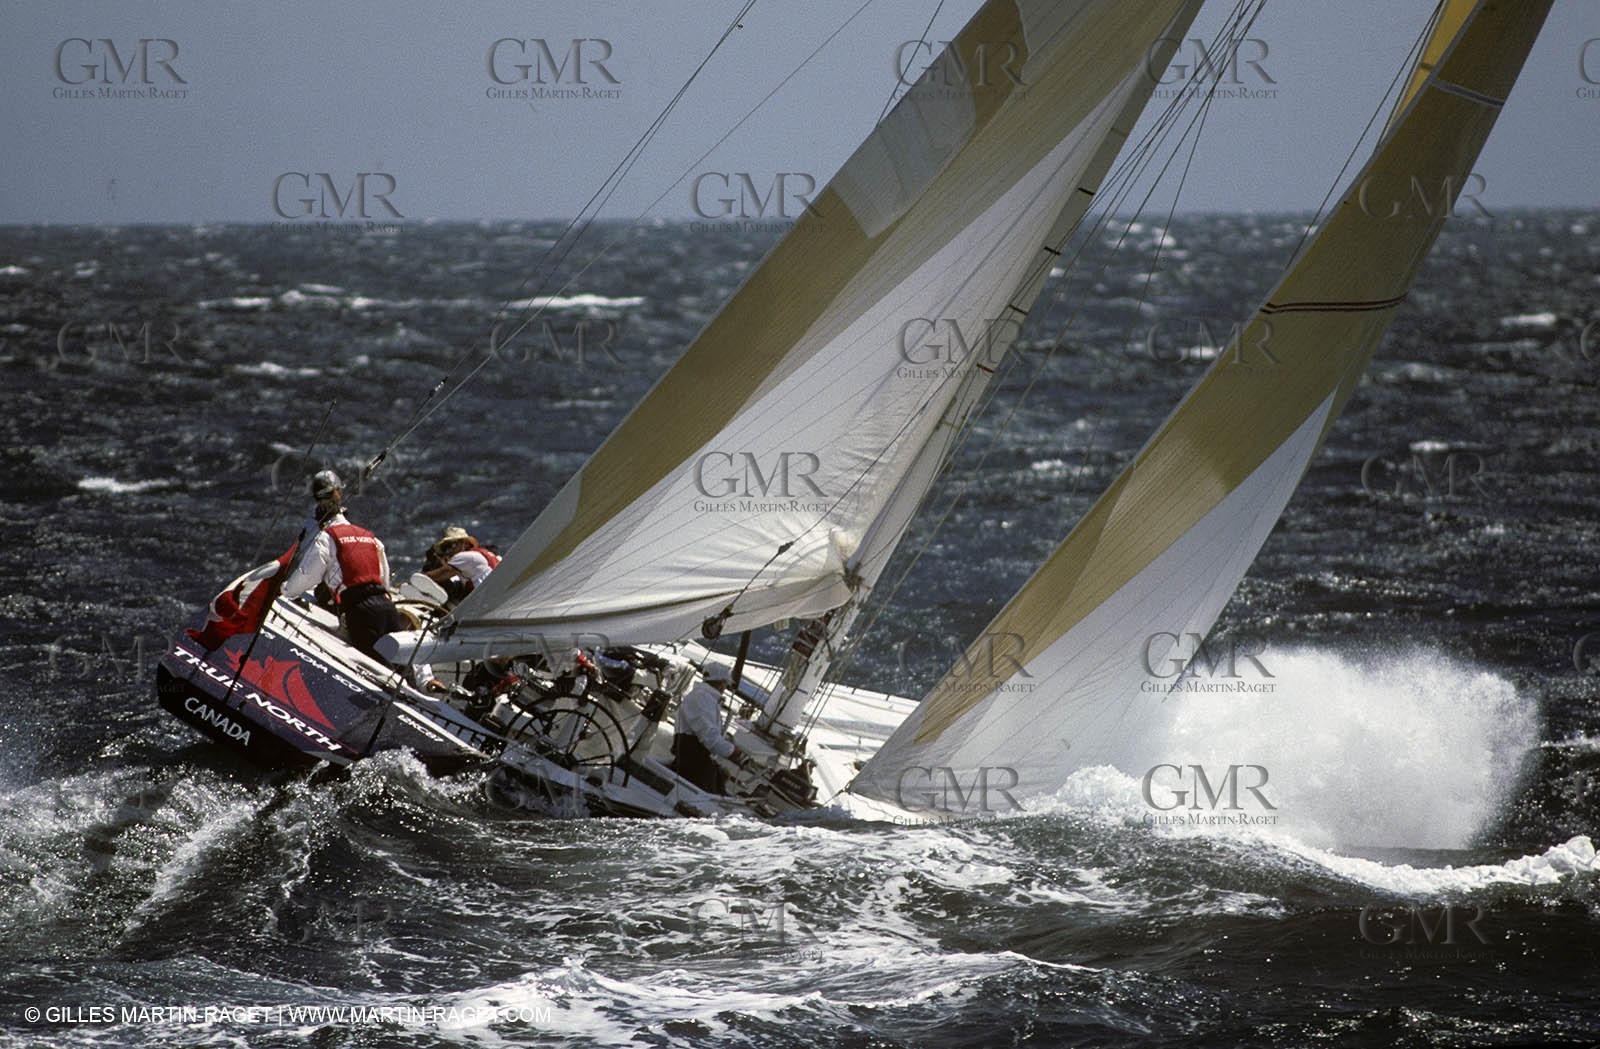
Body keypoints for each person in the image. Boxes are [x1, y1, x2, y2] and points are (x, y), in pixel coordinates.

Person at [281, 471, 406, 666]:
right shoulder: (369, 536)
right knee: (403, 662)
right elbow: (384, 579)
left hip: (358, 610)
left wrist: (285, 591)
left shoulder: (324, 535)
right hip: (386, 605)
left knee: (376, 666)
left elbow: (307, 575)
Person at [671, 679, 746, 794]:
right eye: (725, 684)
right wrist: (734, 752)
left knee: (720, 779)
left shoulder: (704, 697)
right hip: (692, 763)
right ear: (721, 684)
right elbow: (710, 738)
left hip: (693, 759)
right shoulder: (702, 698)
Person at [422, 526, 500, 604]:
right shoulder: (483, 554)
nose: (448, 550)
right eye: (445, 547)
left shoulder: (464, 556)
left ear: (465, 544)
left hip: (485, 602)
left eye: (452, 545)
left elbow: (436, 576)